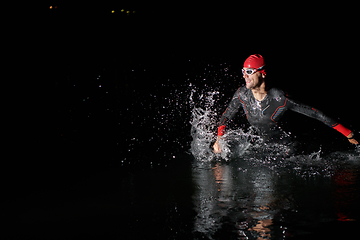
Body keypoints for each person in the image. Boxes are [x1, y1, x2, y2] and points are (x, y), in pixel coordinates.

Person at [213, 54, 358, 153]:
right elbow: (226, 116)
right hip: (264, 147)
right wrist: (219, 139)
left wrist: (348, 134)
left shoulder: (279, 99)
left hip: (289, 148)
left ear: (262, 73)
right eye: (243, 71)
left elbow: (315, 113)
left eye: (249, 71)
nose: (245, 75)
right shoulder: (242, 94)